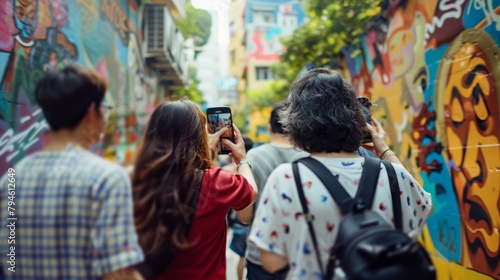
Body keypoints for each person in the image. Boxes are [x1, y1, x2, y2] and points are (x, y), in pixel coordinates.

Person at [248, 68, 433, 279]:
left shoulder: (287, 178)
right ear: (357, 118)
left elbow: (272, 262)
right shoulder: (392, 175)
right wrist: (383, 150)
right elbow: (425, 208)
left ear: (297, 122)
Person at [0, 64, 144, 279]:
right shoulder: (107, 179)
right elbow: (119, 275)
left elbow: (8, 263)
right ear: (90, 112)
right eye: (104, 107)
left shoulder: (11, 180)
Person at [132, 100, 258, 280]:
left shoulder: (136, 182)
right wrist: (242, 159)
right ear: (199, 137)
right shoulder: (214, 182)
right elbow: (250, 192)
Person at [245, 102, 308, 280]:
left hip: (261, 254)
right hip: (301, 253)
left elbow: (244, 218)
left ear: (269, 128)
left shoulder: (252, 157)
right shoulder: (309, 156)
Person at [224, 135, 254, 280]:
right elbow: (249, 192)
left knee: (242, 255)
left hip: (234, 218)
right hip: (248, 218)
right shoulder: (248, 169)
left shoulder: (226, 171)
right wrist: (242, 160)